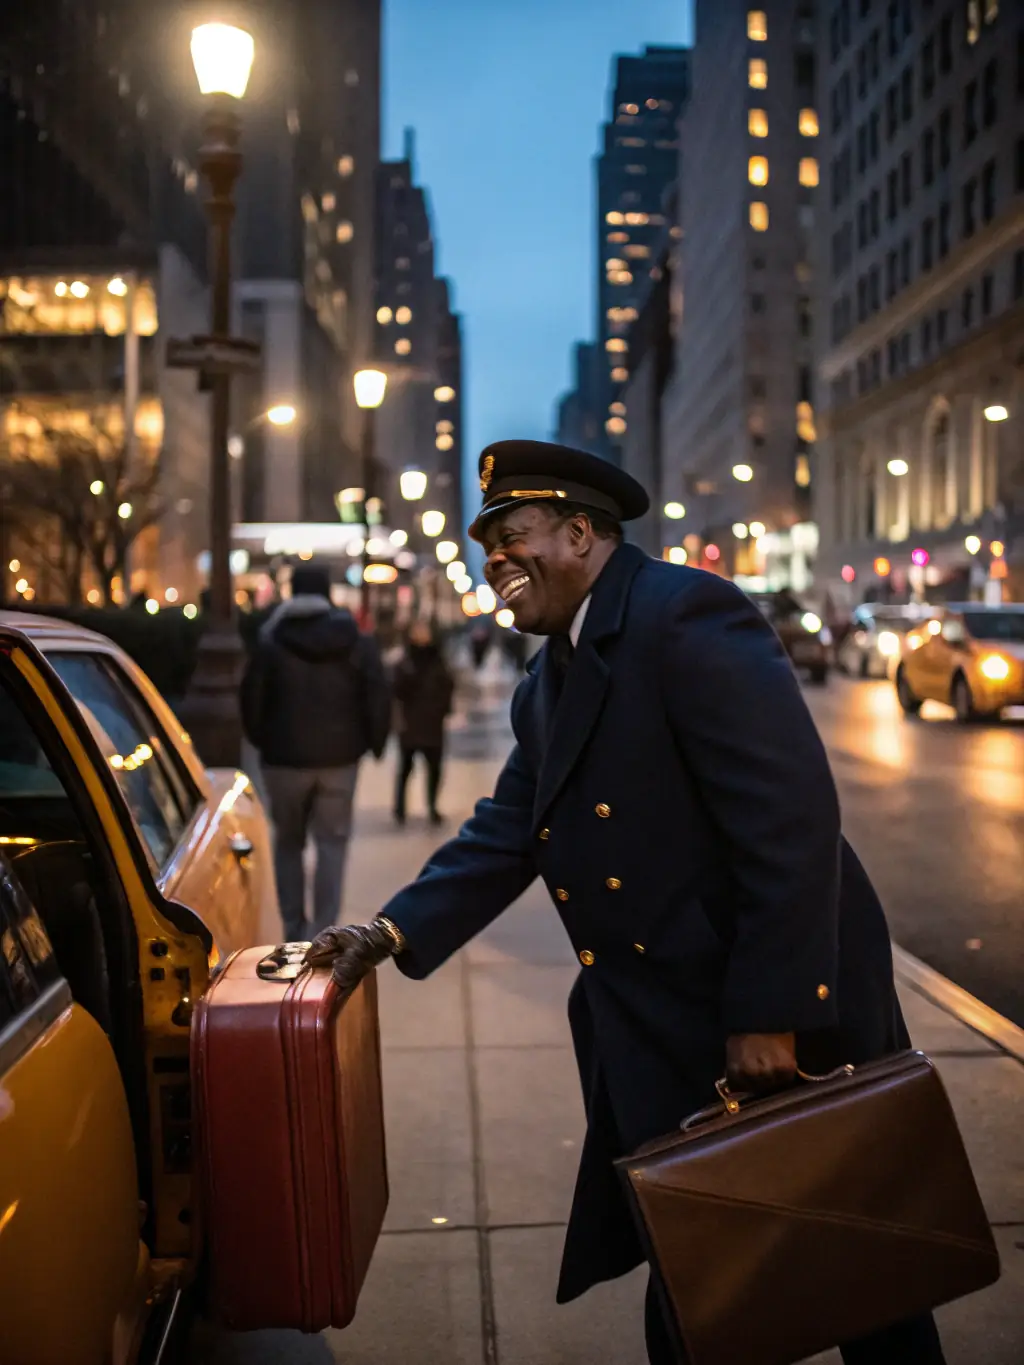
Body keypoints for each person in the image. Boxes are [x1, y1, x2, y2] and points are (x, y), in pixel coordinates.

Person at [305, 441, 945, 1365]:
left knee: (862, 1268)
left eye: (513, 534)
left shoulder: (687, 615)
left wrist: (772, 1011)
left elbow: (791, 821)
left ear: (580, 533)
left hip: (771, 997)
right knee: (697, 1261)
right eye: (488, 543)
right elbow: (507, 829)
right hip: (661, 1010)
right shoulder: (548, 678)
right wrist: (390, 928)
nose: (496, 559)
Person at [241, 562, 390, 942]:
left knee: (288, 841)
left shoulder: (271, 640)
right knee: (332, 843)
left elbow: (252, 700)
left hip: (284, 760)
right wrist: (374, 742)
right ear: (327, 595)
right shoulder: (355, 639)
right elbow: (376, 694)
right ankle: (324, 931)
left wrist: (265, 742)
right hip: (340, 760)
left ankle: (293, 927)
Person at [391, 621, 455, 826]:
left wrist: (443, 710)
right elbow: (397, 689)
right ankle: (400, 808)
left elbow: (448, 686)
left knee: (434, 768)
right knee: (405, 767)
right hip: (411, 723)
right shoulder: (406, 661)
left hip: (433, 723)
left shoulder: (438, 660)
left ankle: (432, 806)